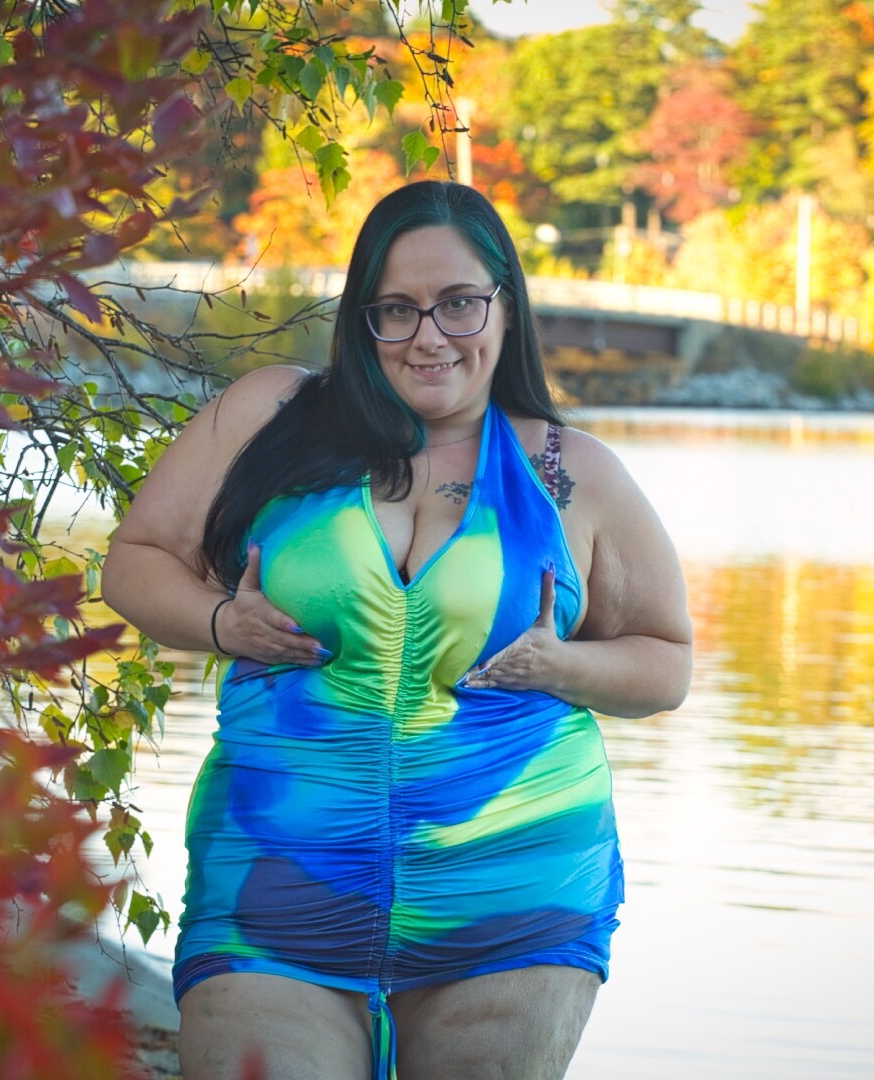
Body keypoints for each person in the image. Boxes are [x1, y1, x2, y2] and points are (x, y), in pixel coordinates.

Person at [102, 180, 692, 1080]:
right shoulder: (272, 417)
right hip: (275, 886)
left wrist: (560, 665)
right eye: (398, 309)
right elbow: (135, 561)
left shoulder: (570, 473)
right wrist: (224, 622)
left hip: (511, 892)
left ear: (505, 305)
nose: (429, 336)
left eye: (458, 303)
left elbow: (666, 662)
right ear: (363, 318)